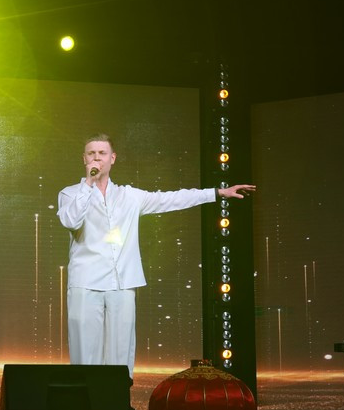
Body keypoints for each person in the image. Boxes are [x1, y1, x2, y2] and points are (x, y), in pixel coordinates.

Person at [56, 133, 254, 380]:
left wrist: (218, 193)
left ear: (112, 158)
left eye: (102, 153)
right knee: (85, 353)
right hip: (85, 282)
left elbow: (172, 198)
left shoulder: (130, 196)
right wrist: (88, 184)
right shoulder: (70, 193)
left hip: (122, 282)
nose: (97, 158)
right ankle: (84, 398)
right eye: (91, 153)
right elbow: (70, 221)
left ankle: (117, 397)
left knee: (121, 354)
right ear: (84, 159)